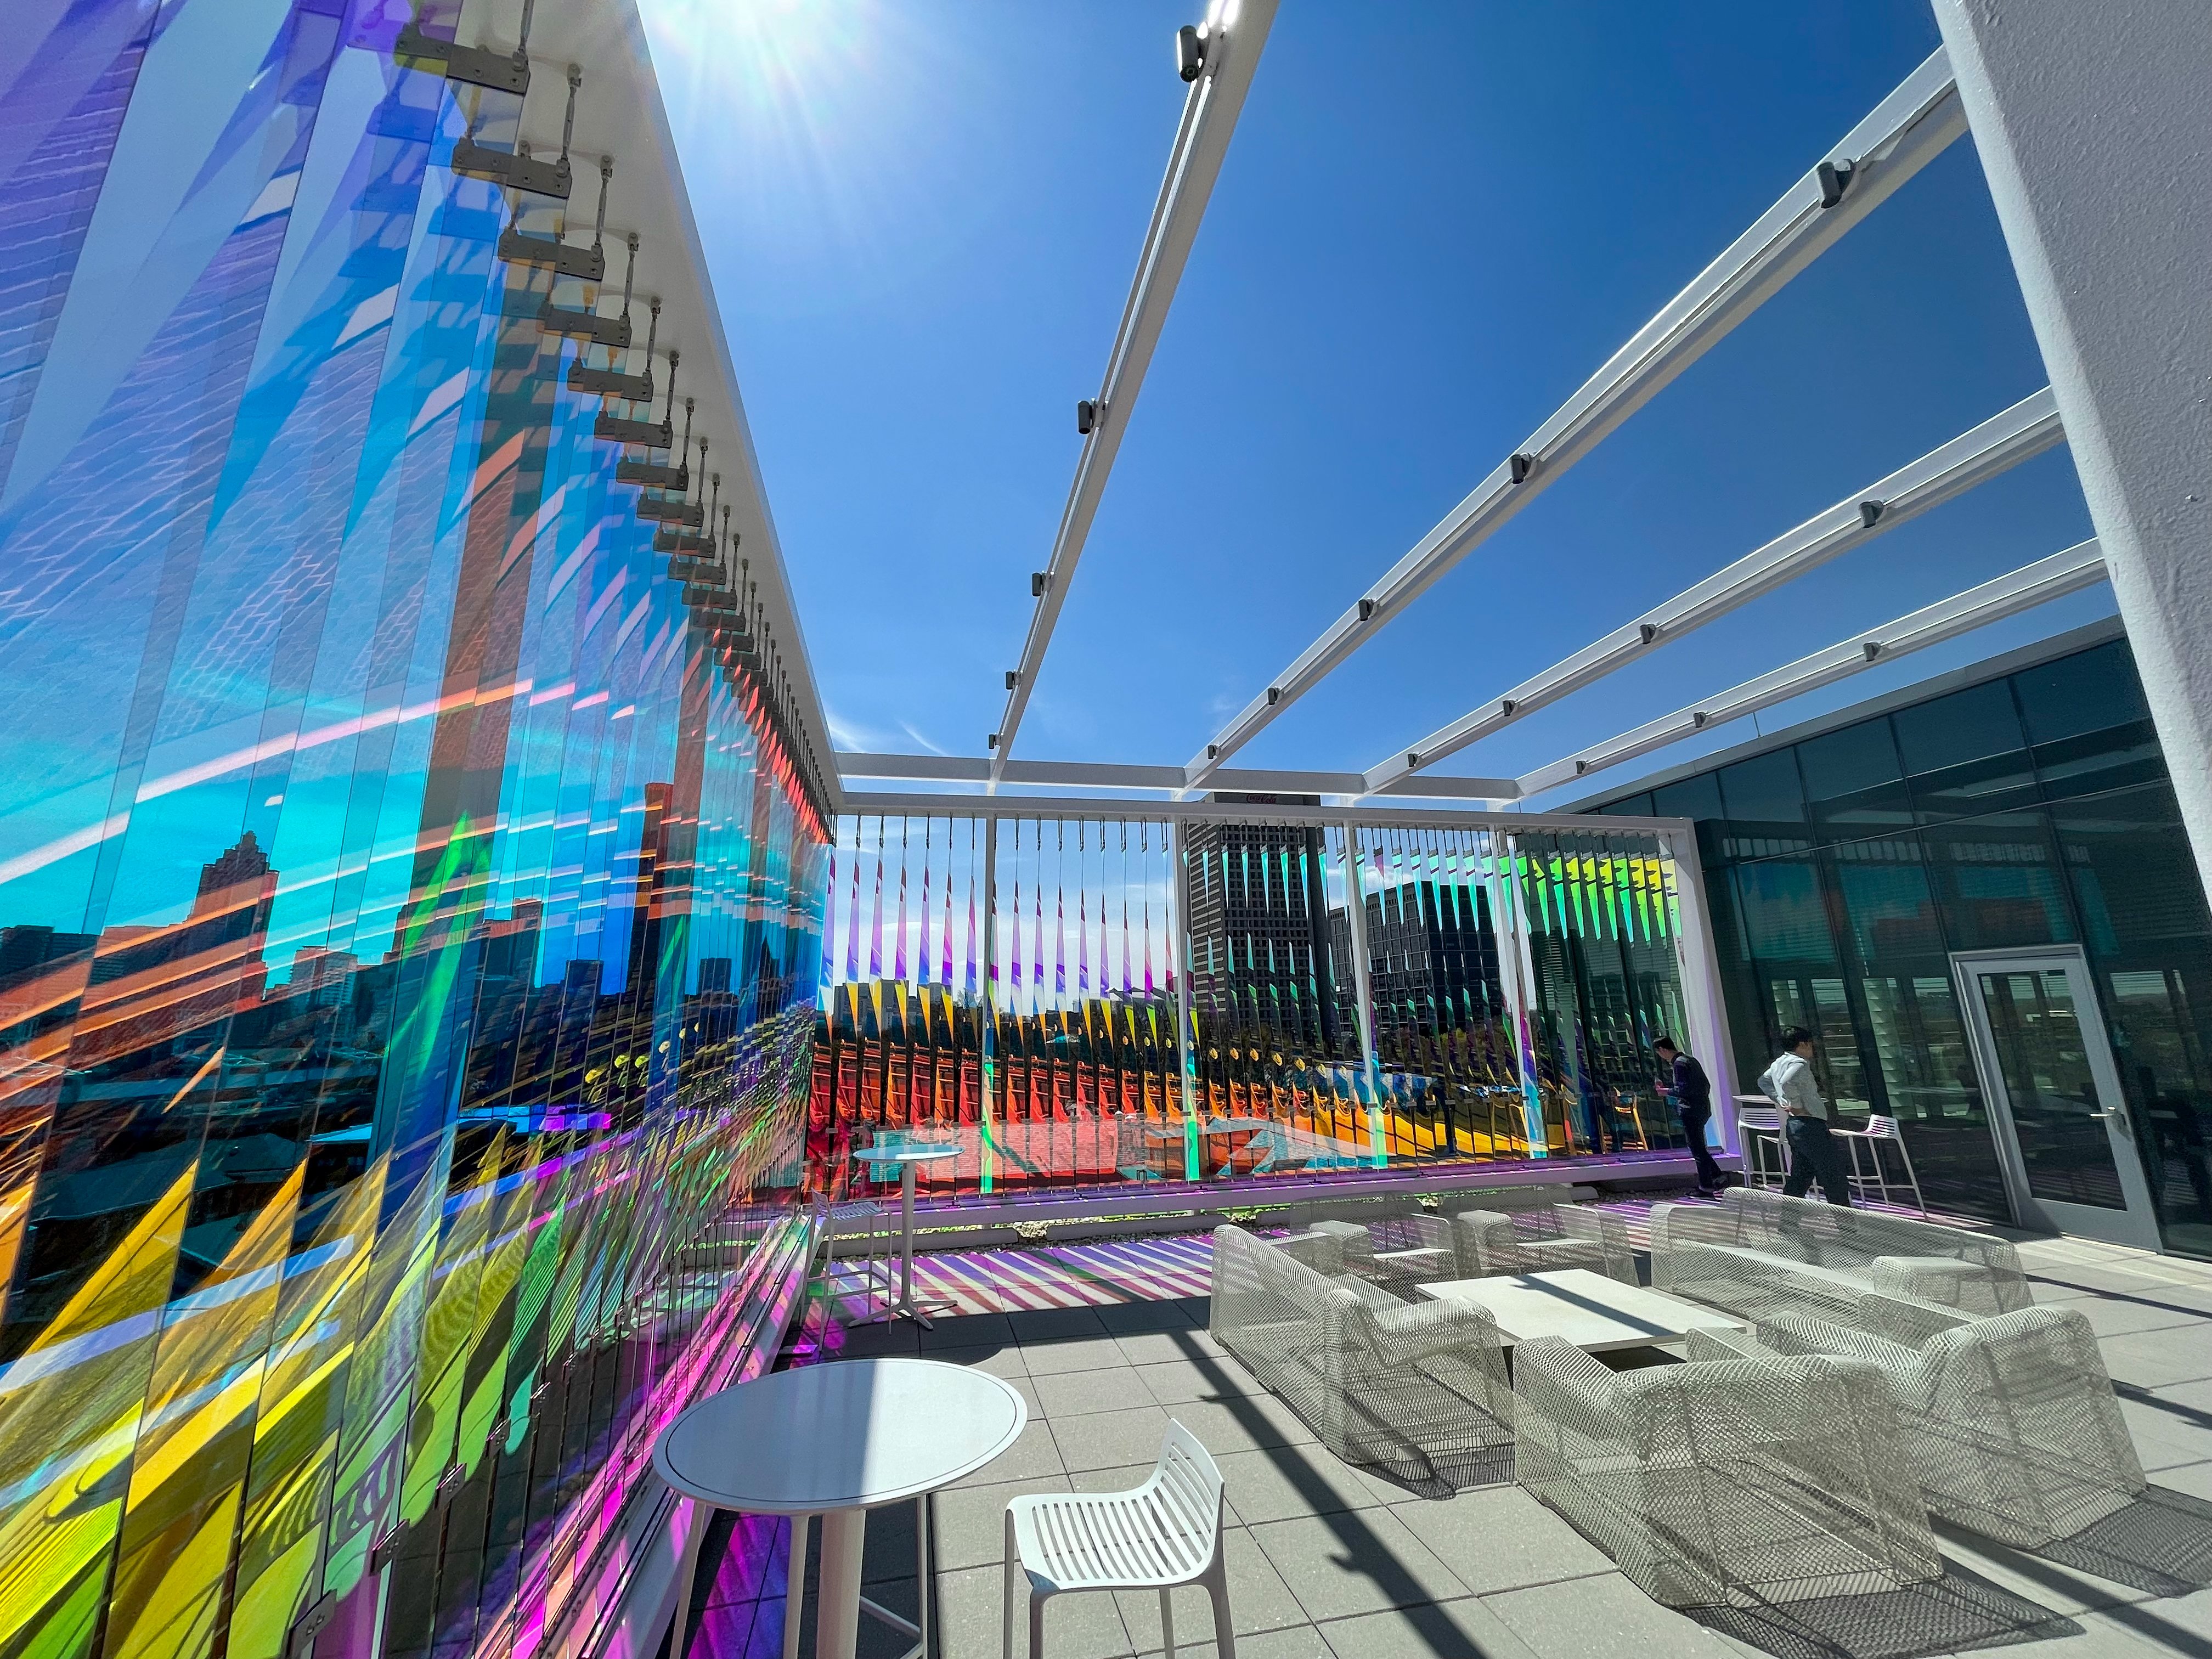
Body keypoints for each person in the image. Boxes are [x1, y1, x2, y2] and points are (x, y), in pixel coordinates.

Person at [1763, 1026, 1850, 1207]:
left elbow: (1764, 1081)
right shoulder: (1799, 1064)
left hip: (1795, 1126)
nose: (1812, 1049)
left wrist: (1781, 1100)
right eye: (1811, 1044)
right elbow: (1787, 1082)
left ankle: (1788, 1224)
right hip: (1810, 1124)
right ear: (1803, 1044)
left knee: (1801, 1177)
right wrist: (1795, 1105)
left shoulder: (1779, 1063)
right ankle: (1846, 1228)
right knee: (1833, 1175)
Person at [1651, 1035, 1724, 1195]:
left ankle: (1706, 1187)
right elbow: (1705, 1085)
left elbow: (1682, 1090)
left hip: (1690, 1111)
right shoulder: (1690, 1060)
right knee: (1698, 1147)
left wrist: (1666, 1092)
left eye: (1659, 1053)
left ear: (1663, 1050)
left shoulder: (1679, 1064)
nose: (1661, 1057)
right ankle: (1718, 1177)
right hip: (1702, 1109)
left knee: (1697, 1150)